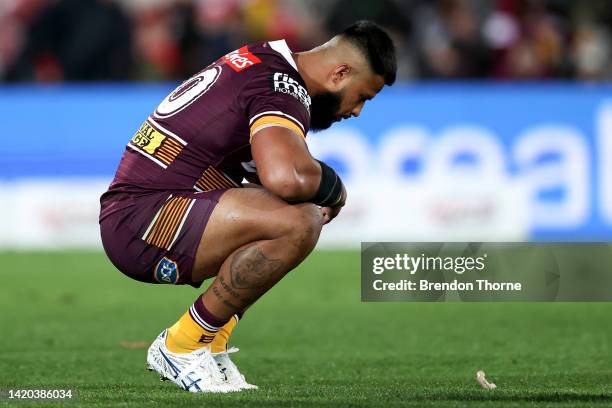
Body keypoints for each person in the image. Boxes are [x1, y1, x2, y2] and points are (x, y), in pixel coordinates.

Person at [99, 20, 396, 393]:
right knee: (299, 221)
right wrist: (335, 189)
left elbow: (268, 178)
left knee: (293, 214)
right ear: (340, 73)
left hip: (144, 210)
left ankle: (209, 344)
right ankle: (182, 344)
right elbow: (285, 176)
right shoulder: (283, 86)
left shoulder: (264, 61)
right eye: (363, 96)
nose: (357, 112)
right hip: (146, 218)